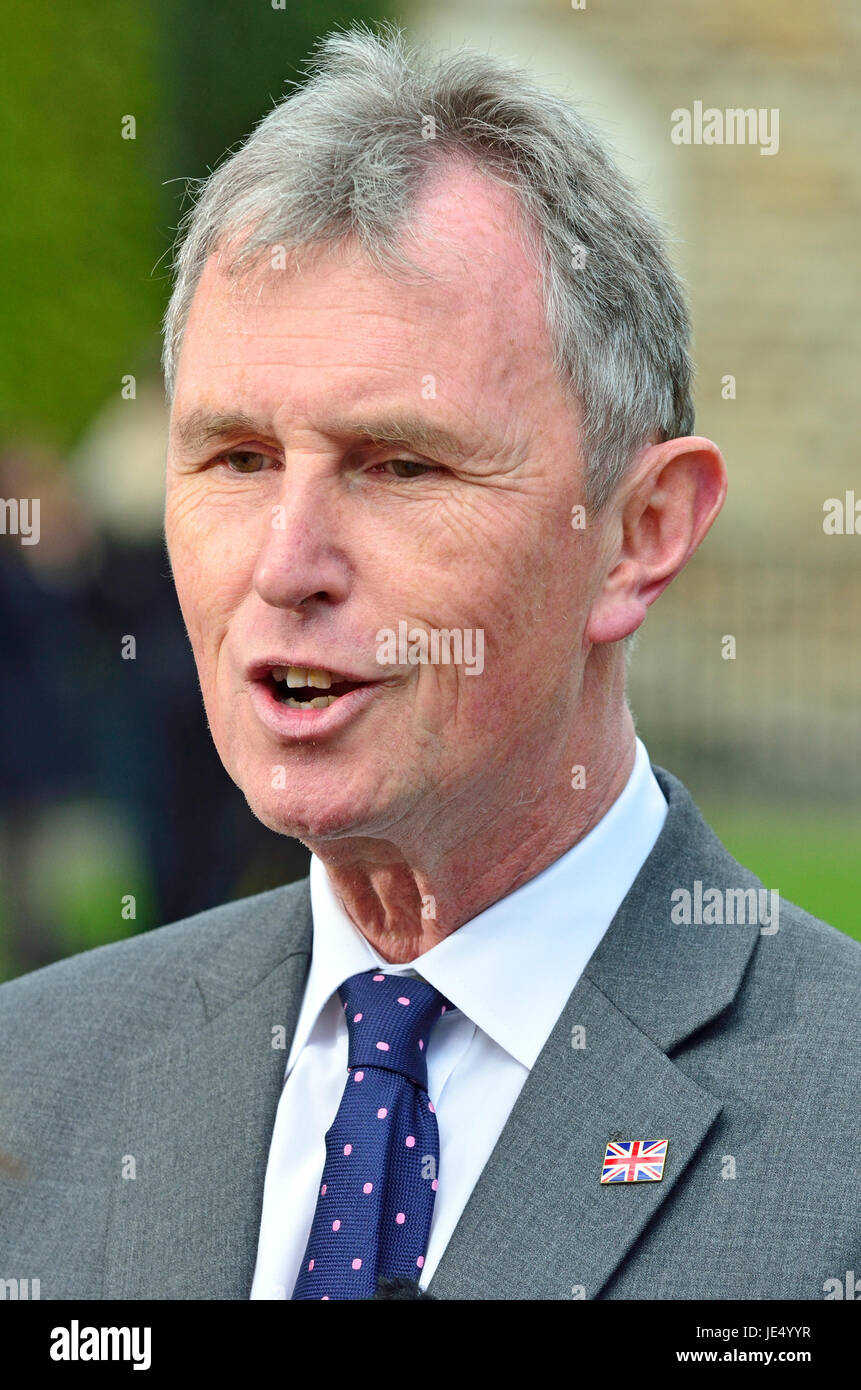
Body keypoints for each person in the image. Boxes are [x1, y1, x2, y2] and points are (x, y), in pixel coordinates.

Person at [1, 24, 857, 1302]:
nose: (286, 563)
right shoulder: (32, 1080)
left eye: (400, 465)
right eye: (235, 458)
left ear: (640, 532)